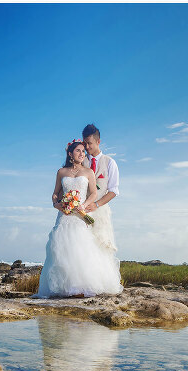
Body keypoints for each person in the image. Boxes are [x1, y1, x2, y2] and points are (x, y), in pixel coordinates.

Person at [35, 140, 123, 298]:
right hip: (65, 215)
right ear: (70, 153)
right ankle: (64, 287)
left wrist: (84, 205)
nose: (82, 153)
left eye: (83, 151)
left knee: (81, 248)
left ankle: (81, 286)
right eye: (78, 151)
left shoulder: (88, 172)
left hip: (80, 215)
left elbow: (94, 193)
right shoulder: (61, 172)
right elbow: (55, 193)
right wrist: (57, 204)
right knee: (61, 247)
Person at [81, 123, 119, 253]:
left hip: (101, 211)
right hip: (81, 211)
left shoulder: (110, 163)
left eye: (89, 143)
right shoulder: (80, 161)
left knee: (99, 248)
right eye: (84, 143)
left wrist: (96, 204)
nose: (86, 147)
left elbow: (113, 191)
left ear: (98, 141)